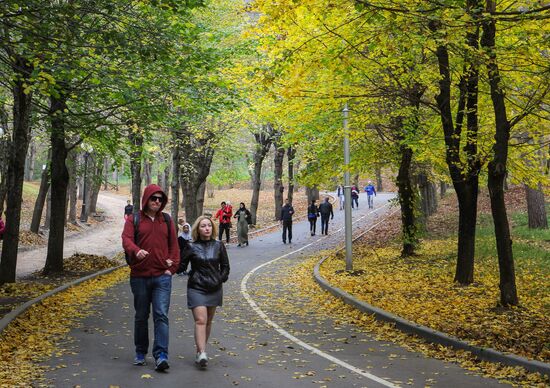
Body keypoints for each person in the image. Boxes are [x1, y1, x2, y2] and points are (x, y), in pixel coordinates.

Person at [121, 184, 180, 371]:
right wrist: (136, 251)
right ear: (146, 199)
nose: (157, 201)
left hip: (162, 277)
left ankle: (161, 355)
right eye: (153, 198)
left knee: (161, 315)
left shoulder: (167, 220)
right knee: (141, 316)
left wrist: (172, 267)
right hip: (140, 276)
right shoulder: (134, 219)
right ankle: (140, 352)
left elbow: (175, 246)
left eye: (160, 199)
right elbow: (126, 239)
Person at [179, 215, 230, 368]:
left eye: (209, 225)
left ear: (212, 228)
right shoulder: (191, 246)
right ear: (198, 229)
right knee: (201, 320)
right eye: (203, 226)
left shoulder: (219, 245)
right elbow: (181, 266)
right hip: (197, 287)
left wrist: (220, 279)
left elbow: (226, 266)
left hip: (214, 288)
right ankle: (202, 352)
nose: (206, 228)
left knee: (208, 321)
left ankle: (200, 351)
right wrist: (168, 265)